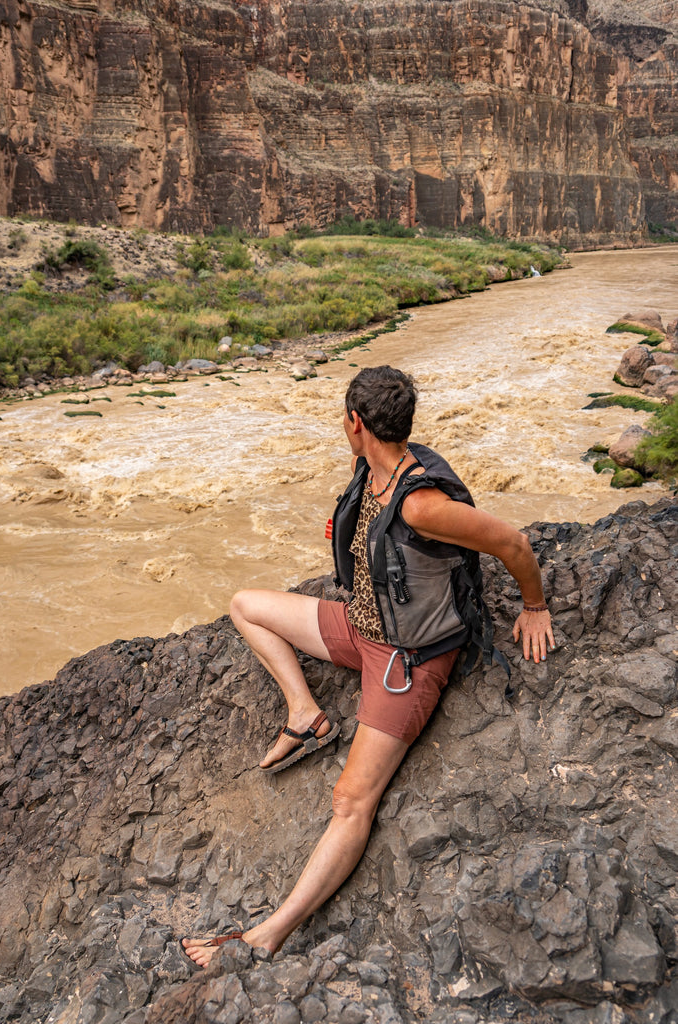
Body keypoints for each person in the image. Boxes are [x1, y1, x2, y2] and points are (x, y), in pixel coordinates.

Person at [182, 365, 554, 966]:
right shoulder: (373, 470)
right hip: (361, 627)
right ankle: (305, 713)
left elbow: (512, 543)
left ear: (355, 423)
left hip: (405, 664)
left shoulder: (423, 504)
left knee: (351, 801)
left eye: (344, 417)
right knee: (246, 606)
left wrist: (533, 607)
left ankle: (269, 932)